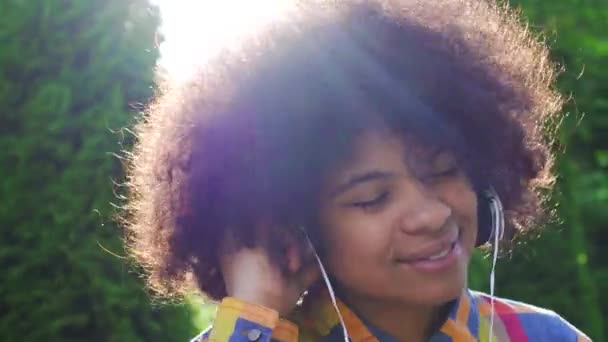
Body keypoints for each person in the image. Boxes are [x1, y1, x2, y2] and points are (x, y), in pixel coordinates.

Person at [123, 0, 591, 340]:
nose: (430, 215)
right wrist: (256, 309)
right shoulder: (250, 335)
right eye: (372, 198)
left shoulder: (545, 336)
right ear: (295, 227)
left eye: (444, 170)